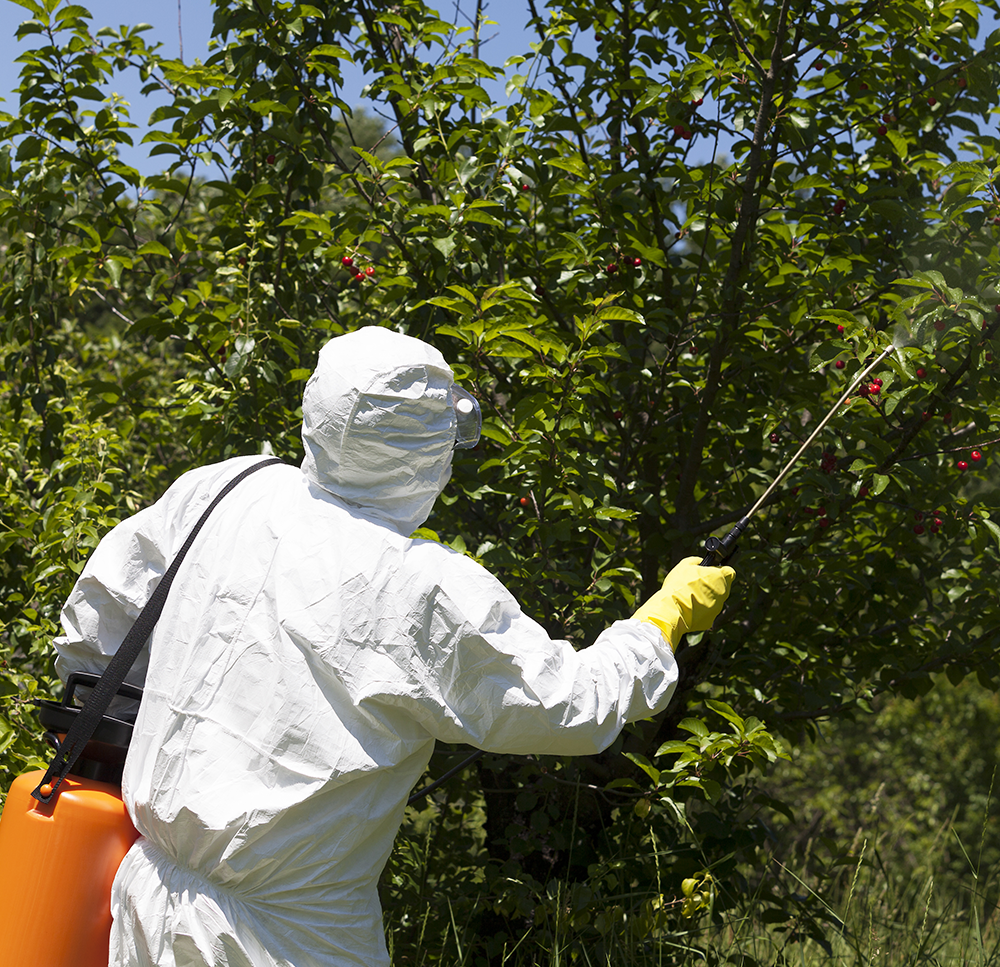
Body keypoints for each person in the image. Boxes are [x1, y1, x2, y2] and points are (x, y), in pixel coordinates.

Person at [54, 326, 735, 967]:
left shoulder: (232, 487)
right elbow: (572, 705)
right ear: (427, 453)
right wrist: (661, 622)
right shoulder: (418, 587)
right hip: (291, 940)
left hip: (145, 895)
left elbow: (97, 626)